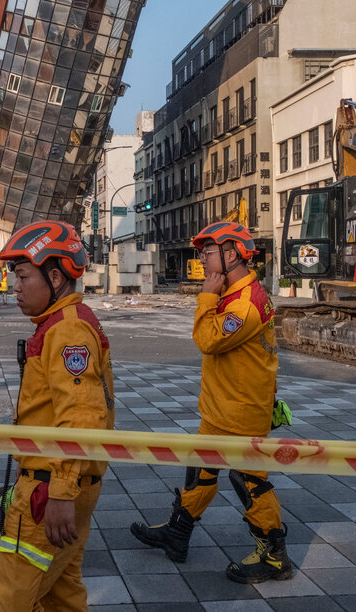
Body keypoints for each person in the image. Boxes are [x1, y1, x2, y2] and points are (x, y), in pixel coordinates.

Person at [130, 222, 294, 584]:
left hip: (241, 411)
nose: (201, 258)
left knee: (249, 480)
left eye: (207, 251)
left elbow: (208, 339)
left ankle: (275, 555)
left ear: (232, 253)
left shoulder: (246, 303)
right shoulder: (233, 294)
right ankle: (177, 534)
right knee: (201, 472)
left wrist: (206, 295)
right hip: (222, 408)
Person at [0, 220, 114, 612]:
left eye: (23, 276)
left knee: (4, 600)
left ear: (54, 277)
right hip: (64, 482)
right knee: (61, 595)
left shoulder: (67, 332)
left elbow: (82, 417)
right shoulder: (61, 325)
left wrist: (60, 492)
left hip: (49, 491)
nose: (15, 287)